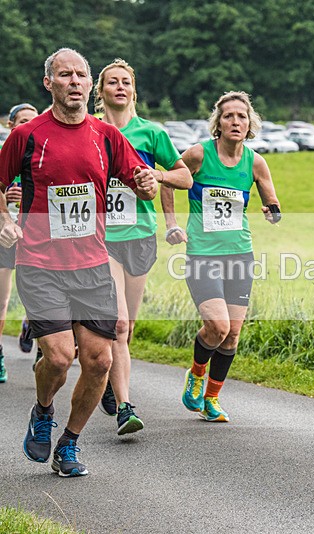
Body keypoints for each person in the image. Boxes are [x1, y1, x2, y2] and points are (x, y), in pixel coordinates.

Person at [0, 48, 158, 477]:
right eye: (64, 74)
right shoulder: (28, 135)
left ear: (90, 85)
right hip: (40, 264)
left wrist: (146, 182)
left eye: (81, 75)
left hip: (92, 266)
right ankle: (43, 411)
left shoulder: (106, 135)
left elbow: (141, 185)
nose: (74, 81)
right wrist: (4, 219)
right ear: (48, 83)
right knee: (57, 357)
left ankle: (68, 443)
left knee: (99, 361)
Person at [163, 91, 280, 422]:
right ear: (218, 122)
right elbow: (169, 181)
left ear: (250, 123)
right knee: (216, 326)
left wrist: (273, 212)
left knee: (232, 334)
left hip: (240, 255)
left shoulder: (255, 161)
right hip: (202, 254)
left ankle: (212, 399)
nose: (235, 121)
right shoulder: (200, 155)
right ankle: (197, 375)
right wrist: (171, 224)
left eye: (241, 116)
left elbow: (273, 203)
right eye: (228, 116)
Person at [93, 58, 192, 435]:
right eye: (112, 82)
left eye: (126, 82)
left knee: (128, 328)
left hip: (139, 237)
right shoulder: (90, 130)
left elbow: (183, 175)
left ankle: (107, 381)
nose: (120, 87)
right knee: (117, 324)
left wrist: (157, 175)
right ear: (100, 92)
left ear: (134, 91)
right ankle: (125, 407)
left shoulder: (151, 134)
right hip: (101, 240)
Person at [0, 103, 38, 383]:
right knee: (2, 298)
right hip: (5, 235)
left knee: (39, 296)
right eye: (22, 120)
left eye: (33, 121)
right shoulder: (5, 153)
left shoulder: (43, 153)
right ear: (11, 126)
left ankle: (32, 327)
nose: (28, 125)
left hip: (35, 235)